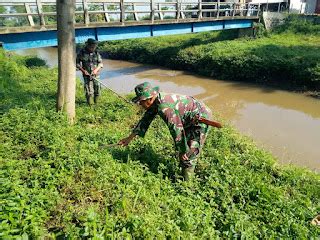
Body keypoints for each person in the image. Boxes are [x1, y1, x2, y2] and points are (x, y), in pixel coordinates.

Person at [118, 82, 213, 181]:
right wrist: (129, 138)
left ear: (150, 99)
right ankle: (184, 175)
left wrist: (182, 151)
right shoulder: (155, 101)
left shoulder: (164, 107)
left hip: (201, 117)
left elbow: (177, 130)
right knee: (185, 149)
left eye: (141, 102)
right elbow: (144, 121)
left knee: (189, 155)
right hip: (189, 118)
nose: (140, 104)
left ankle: (187, 186)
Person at [76, 38, 103, 105]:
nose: (93, 48)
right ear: (88, 45)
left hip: (96, 74)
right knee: (88, 91)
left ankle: (96, 104)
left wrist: (96, 70)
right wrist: (83, 70)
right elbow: (77, 63)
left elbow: (100, 63)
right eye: (92, 46)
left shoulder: (96, 52)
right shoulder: (81, 52)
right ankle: (89, 104)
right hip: (86, 75)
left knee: (97, 89)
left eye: (94, 46)